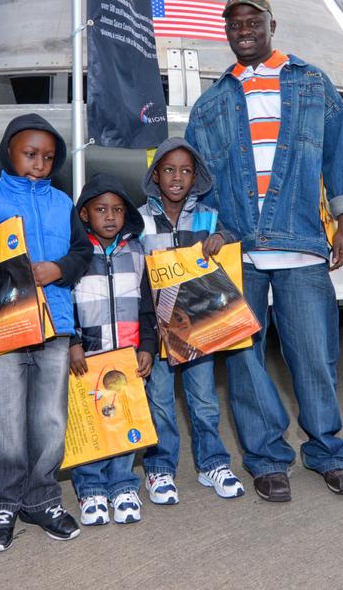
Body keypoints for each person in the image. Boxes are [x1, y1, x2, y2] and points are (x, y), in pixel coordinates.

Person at [185, 0, 343, 502]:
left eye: (253, 20)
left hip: (302, 243)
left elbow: (338, 158)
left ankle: (328, 452)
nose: (244, 29)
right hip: (237, 251)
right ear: (227, 31)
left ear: (271, 24)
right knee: (244, 359)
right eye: (234, 22)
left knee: (314, 356)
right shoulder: (211, 103)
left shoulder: (313, 84)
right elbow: (197, 182)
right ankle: (266, 459)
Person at [0, 114, 93, 553]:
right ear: (9, 153)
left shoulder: (62, 203)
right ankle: (1, 504)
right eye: (30, 154)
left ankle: (42, 498)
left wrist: (59, 269)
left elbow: (82, 253)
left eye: (48, 157)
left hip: (55, 328)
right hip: (3, 331)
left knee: (50, 420)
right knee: (6, 421)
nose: (39, 163)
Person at [137, 138, 245, 505]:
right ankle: (160, 468)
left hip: (200, 327)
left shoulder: (207, 217)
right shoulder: (140, 219)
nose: (177, 177)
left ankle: (212, 463)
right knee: (161, 401)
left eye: (185, 170)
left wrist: (221, 237)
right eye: (169, 169)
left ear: (195, 177)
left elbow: (234, 236)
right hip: (157, 328)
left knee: (203, 401)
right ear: (155, 176)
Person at [68, 173, 156, 526]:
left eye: (117, 210)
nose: (109, 216)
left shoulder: (136, 252)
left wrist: (148, 346)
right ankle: (90, 489)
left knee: (125, 421)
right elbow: (64, 304)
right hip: (87, 357)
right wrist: (72, 343)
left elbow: (148, 305)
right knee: (90, 424)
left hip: (128, 357)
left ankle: (123, 485)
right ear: (85, 214)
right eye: (101, 209)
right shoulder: (74, 255)